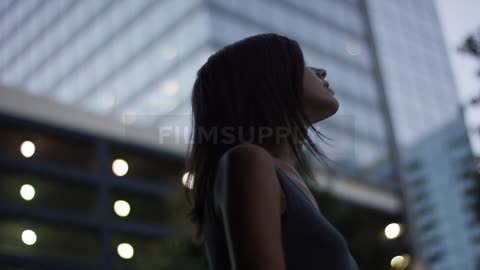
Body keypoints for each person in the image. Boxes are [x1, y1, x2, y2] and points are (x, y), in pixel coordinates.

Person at [185, 33, 359, 270]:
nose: (321, 71)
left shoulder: (289, 180)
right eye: (301, 65)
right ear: (266, 80)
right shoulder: (248, 161)